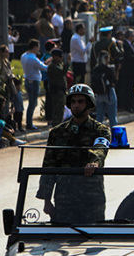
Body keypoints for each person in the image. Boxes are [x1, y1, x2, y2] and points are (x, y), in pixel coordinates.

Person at [35, 84, 111, 224]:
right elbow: (49, 166)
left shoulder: (100, 130)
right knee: (61, 239)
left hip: (91, 197)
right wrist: (46, 200)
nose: (76, 105)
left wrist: (94, 163)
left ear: (89, 104)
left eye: (81, 101)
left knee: (93, 236)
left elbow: (100, 149)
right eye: (73, 102)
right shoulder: (57, 133)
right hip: (65, 198)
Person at [20, 39, 51, 131]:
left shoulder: (24, 56)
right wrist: (51, 65)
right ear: (34, 47)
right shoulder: (33, 58)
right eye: (38, 47)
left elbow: (38, 65)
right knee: (33, 103)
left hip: (27, 80)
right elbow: (44, 68)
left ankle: (29, 122)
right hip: (34, 82)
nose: (39, 49)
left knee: (32, 102)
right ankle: (29, 123)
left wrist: (44, 63)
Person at [90, 51, 118, 127]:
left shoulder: (95, 69)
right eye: (107, 58)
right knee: (112, 118)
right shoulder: (108, 69)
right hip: (109, 93)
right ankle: (114, 137)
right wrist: (118, 70)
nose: (108, 60)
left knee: (99, 118)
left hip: (98, 95)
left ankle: (98, 136)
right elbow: (114, 81)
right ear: (105, 59)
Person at [47, 49, 69, 127]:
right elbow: (62, 73)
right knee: (58, 110)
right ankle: (56, 125)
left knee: (61, 110)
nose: (61, 58)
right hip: (56, 91)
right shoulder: (52, 67)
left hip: (61, 90)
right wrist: (67, 63)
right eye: (60, 57)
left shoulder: (58, 65)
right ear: (54, 57)